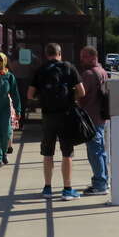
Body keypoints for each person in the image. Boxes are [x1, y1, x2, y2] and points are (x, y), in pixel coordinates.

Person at [28, 43, 85, 200]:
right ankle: (67, 190)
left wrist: (43, 97)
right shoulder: (69, 67)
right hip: (66, 116)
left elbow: (30, 94)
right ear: (60, 53)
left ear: (47, 54)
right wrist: (70, 98)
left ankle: (47, 189)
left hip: (48, 117)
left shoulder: (40, 70)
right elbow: (82, 91)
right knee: (67, 154)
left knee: (48, 153)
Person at [79, 46, 109, 195]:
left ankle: (99, 184)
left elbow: (80, 94)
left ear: (92, 57)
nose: (81, 59)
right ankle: (104, 180)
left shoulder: (88, 74)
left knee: (94, 152)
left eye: (84, 56)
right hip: (101, 117)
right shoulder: (103, 72)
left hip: (91, 117)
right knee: (101, 150)